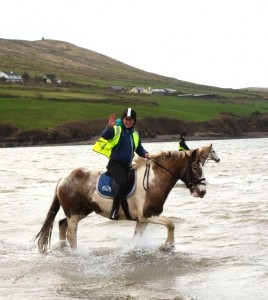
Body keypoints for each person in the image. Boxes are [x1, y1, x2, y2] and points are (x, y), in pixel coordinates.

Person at [93, 108, 149, 220]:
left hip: (127, 165)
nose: (128, 121)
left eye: (131, 119)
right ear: (123, 120)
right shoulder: (116, 129)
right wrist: (109, 126)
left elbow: (139, 149)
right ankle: (113, 212)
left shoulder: (135, 134)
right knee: (123, 183)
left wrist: (146, 154)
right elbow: (105, 135)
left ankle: (131, 210)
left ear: (134, 121)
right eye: (126, 119)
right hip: (115, 164)